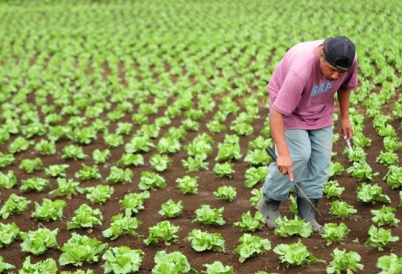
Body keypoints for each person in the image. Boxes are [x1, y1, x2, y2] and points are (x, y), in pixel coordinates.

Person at [257, 36, 358, 233]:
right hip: (289, 110)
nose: (336, 76)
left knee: (321, 161)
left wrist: (345, 117)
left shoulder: (349, 60)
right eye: (332, 70)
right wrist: (284, 154)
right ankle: (269, 203)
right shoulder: (300, 71)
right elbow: (276, 113)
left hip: (320, 108)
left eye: (340, 72)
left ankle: (308, 213)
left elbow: (345, 86)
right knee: (297, 156)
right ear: (321, 55)